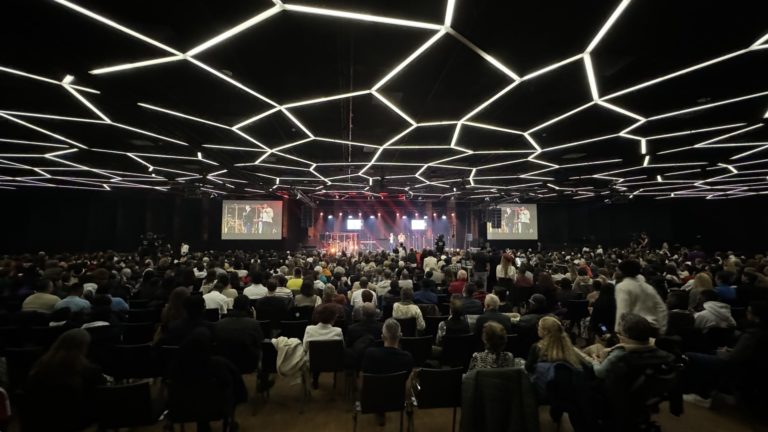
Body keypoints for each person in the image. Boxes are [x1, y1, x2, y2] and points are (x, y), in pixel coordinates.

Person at [24, 328, 107, 432]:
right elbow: (100, 401)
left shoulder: (39, 368)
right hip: (79, 423)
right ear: (84, 348)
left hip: (42, 423)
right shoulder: (90, 371)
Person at [170, 327, 247, 432]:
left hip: (182, 412)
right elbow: (238, 388)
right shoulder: (220, 364)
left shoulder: (175, 369)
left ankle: (202, 423)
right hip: (216, 410)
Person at [614, 260, 667, 335]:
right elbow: (662, 308)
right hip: (653, 328)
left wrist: (618, 331)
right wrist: (662, 329)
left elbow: (623, 311)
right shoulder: (648, 287)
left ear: (623, 272)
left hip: (634, 330)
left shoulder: (622, 287)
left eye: (618, 270)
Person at [213, 295, 264, 372]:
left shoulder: (219, 323)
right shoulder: (253, 324)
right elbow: (259, 343)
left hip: (224, 362)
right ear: (248, 307)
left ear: (233, 306)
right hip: (248, 363)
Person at [303, 305, 344, 389]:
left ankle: (315, 380)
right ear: (333, 318)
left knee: (315, 357)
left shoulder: (309, 329)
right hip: (333, 363)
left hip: (313, 363)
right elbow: (342, 348)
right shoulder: (338, 331)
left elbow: (305, 348)